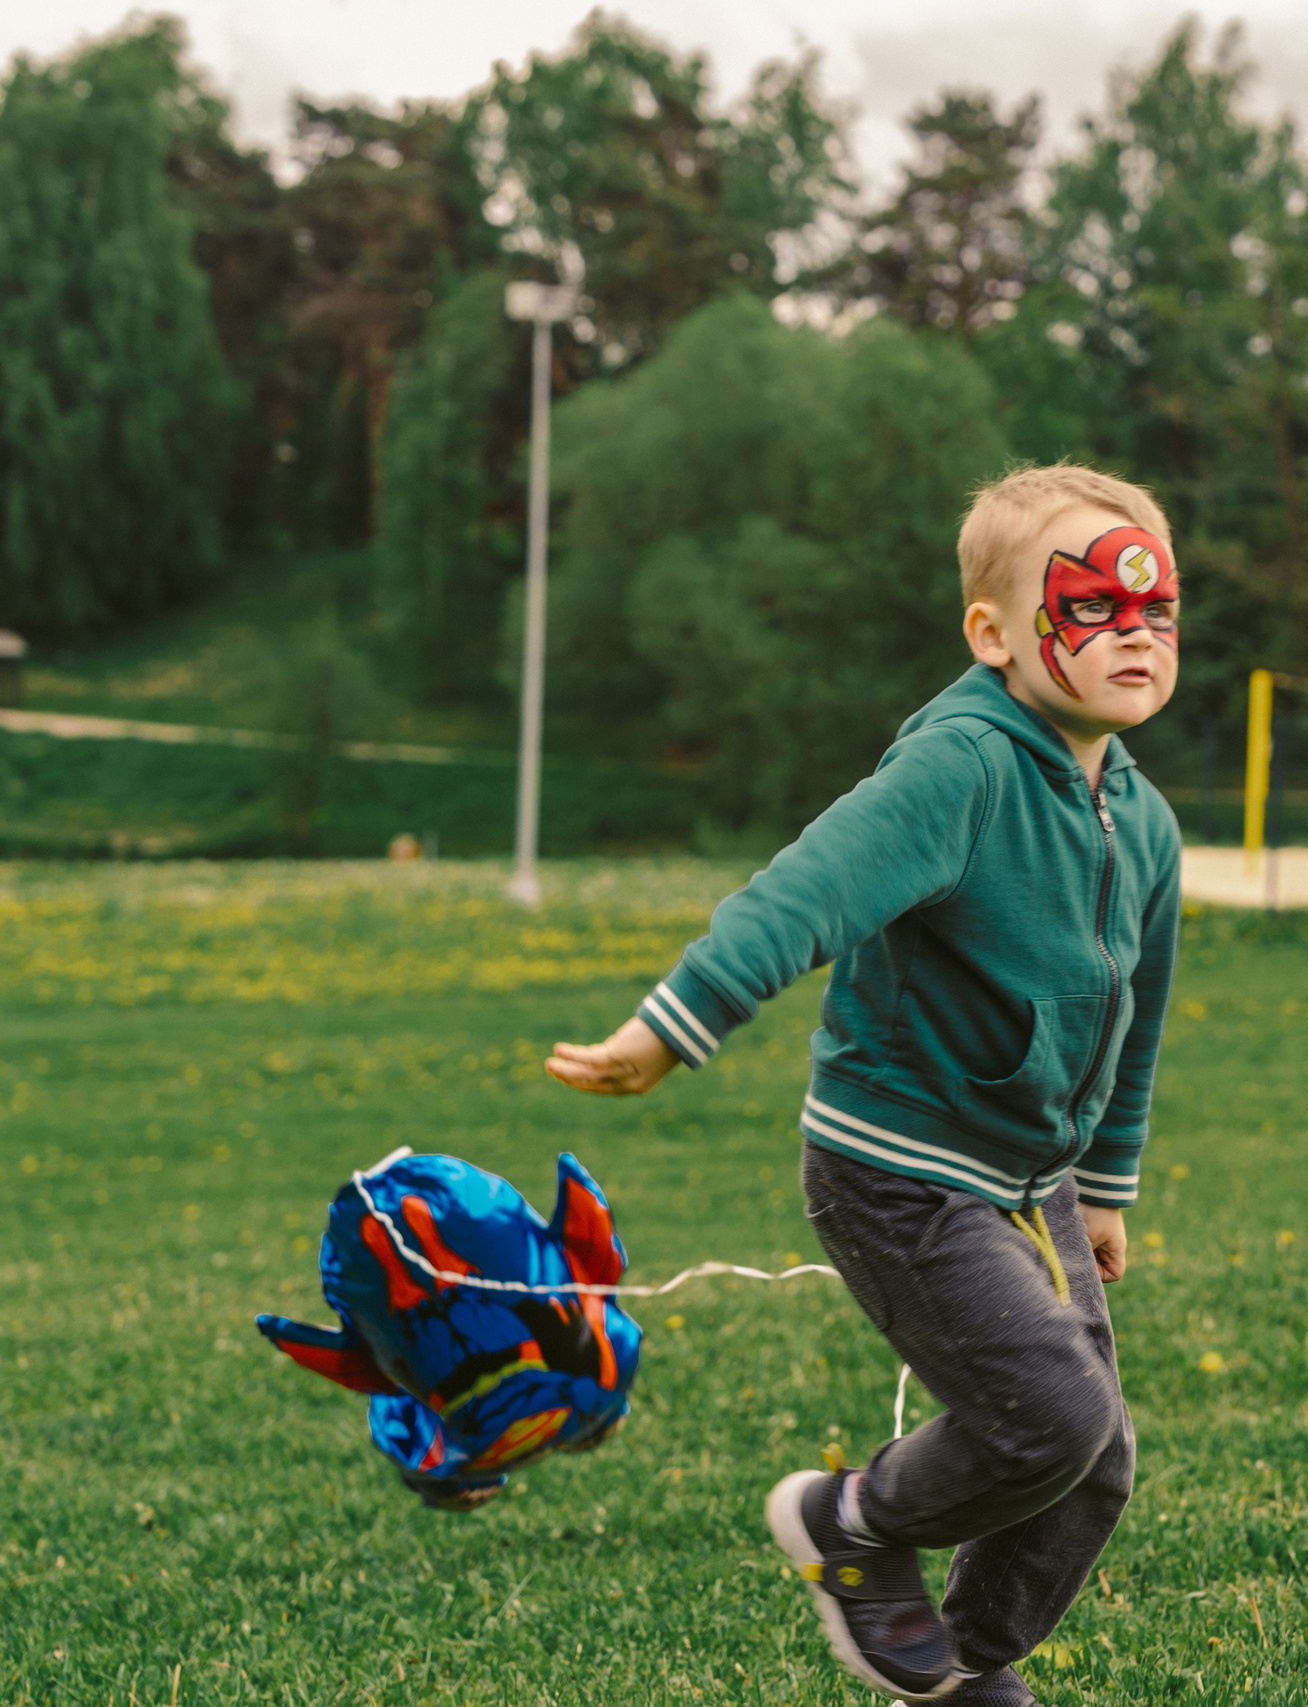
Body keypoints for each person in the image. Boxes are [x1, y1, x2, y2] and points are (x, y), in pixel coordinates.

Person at [543, 464, 1183, 1705]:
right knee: (1049, 1416)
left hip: (1030, 1181)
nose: (1134, 636)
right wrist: (674, 1024)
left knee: (1093, 1458)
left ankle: (962, 1669)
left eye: (1156, 611)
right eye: (1089, 606)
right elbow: (809, 887)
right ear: (992, 635)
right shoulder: (961, 770)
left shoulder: (1141, 819)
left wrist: (1103, 1186)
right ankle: (849, 1522)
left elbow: (1135, 1010)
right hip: (898, 1171)